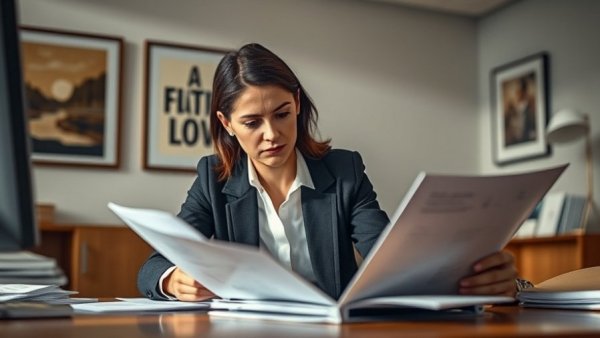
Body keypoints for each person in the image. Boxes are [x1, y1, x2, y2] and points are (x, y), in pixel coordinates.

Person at [138, 43, 518, 301]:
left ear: (298, 103)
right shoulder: (213, 179)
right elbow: (153, 265)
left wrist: (475, 278)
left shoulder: (344, 171)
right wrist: (173, 280)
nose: (272, 135)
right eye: (252, 122)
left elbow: (388, 259)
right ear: (227, 124)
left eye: (282, 114)